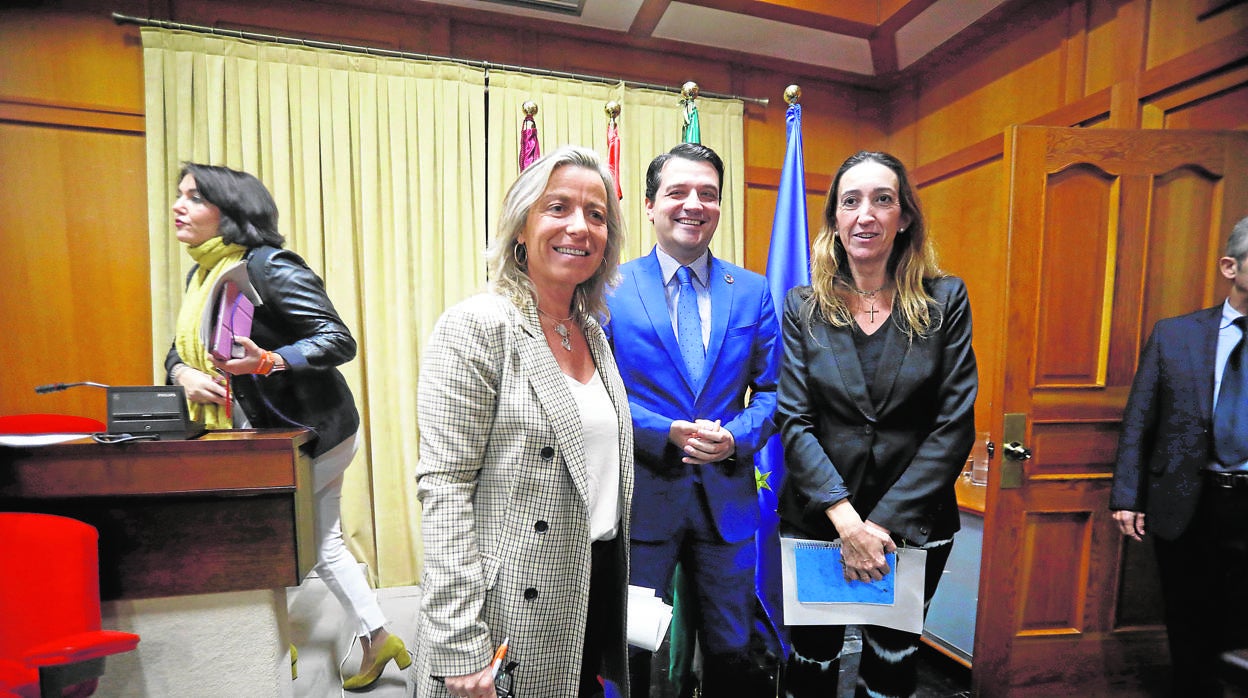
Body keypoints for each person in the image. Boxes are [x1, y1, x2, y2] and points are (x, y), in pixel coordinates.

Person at [164, 163, 408, 691]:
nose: (178, 206)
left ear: (231, 211)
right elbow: (178, 351)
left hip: (310, 431)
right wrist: (185, 374)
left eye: (195, 197)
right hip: (259, 436)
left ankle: (273, 643)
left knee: (271, 537)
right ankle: (372, 637)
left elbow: (336, 339)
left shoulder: (269, 267)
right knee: (317, 540)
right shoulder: (202, 275)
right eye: (179, 195)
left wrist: (270, 360)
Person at [413, 145, 634, 698]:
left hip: (587, 587)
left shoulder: (592, 332)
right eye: (557, 207)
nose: (579, 226)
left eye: (597, 214)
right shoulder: (478, 325)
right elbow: (445, 488)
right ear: (520, 227)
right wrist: (459, 643)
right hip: (506, 609)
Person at [776, 151, 978, 698]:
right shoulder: (803, 306)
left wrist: (880, 526)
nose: (866, 214)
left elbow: (954, 423)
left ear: (904, 216)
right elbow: (794, 418)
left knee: (891, 668)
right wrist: (847, 523)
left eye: (882, 200)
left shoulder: (945, 299)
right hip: (821, 521)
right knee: (812, 663)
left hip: (912, 525)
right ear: (835, 219)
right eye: (851, 201)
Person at [605, 142, 779, 697]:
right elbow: (597, 392)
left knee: (731, 649)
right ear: (650, 205)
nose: (694, 204)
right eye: (677, 192)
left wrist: (736, 438)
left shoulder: (751, 291)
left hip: (725, 505)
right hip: (642, 501)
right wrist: (663, 431)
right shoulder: (609, 288)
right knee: (630, 646)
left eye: (708, 193)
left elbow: (774, 391)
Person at [1111, 216, 1248, 697]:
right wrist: (1127, 496)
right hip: (1190, 500)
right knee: (1189, 615)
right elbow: (1139, 419)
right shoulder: (1175, 335)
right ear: (1230, 267)